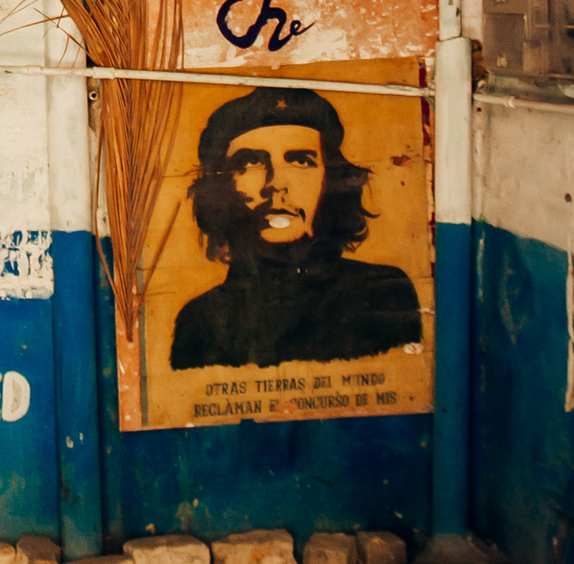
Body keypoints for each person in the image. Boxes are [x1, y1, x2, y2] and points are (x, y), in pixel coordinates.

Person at [169, 87, 422, 372]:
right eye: (251, 162)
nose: (276, 183)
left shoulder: (384, 292)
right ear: (219, 187)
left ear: (329, 181)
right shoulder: (200, 319)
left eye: (301, 161)